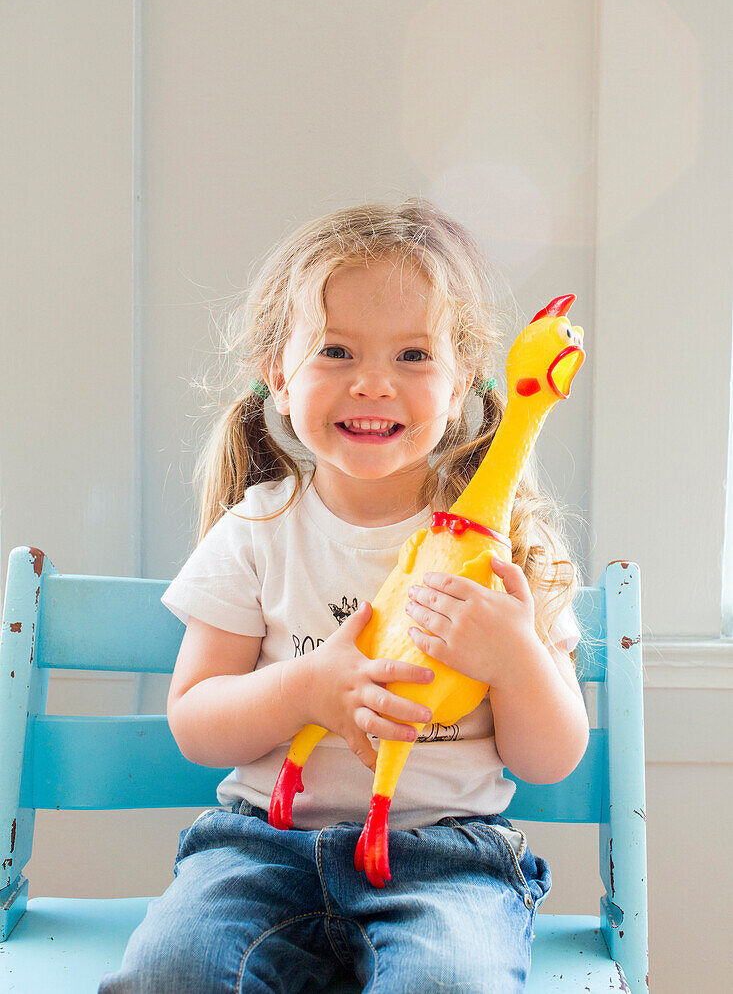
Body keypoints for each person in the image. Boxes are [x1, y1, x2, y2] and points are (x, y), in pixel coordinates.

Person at [99, 198, 589, 993]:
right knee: (171, 972)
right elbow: (195, 721)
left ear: (462, 379)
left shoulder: (508, 547)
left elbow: (550, 758)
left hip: (442, 858)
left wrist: (514, 656)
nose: (372, 383)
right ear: (279, 375)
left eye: (411, 356)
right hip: (260, 848)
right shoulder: (258, 531)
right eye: (335, 350)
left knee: (451, 984)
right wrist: (307, 689)